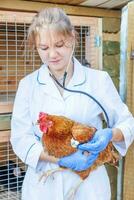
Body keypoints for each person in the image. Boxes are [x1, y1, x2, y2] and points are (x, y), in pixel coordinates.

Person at [10, 7, 134, 200]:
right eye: (44, 48)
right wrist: (62, 158)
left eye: (59, 44)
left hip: (89, 184)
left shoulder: (98, 80)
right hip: (44, 186)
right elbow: (20, 138)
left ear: (72, 38)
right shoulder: (28, 85)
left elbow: (127, 124)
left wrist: (110, 134)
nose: (52, 54)